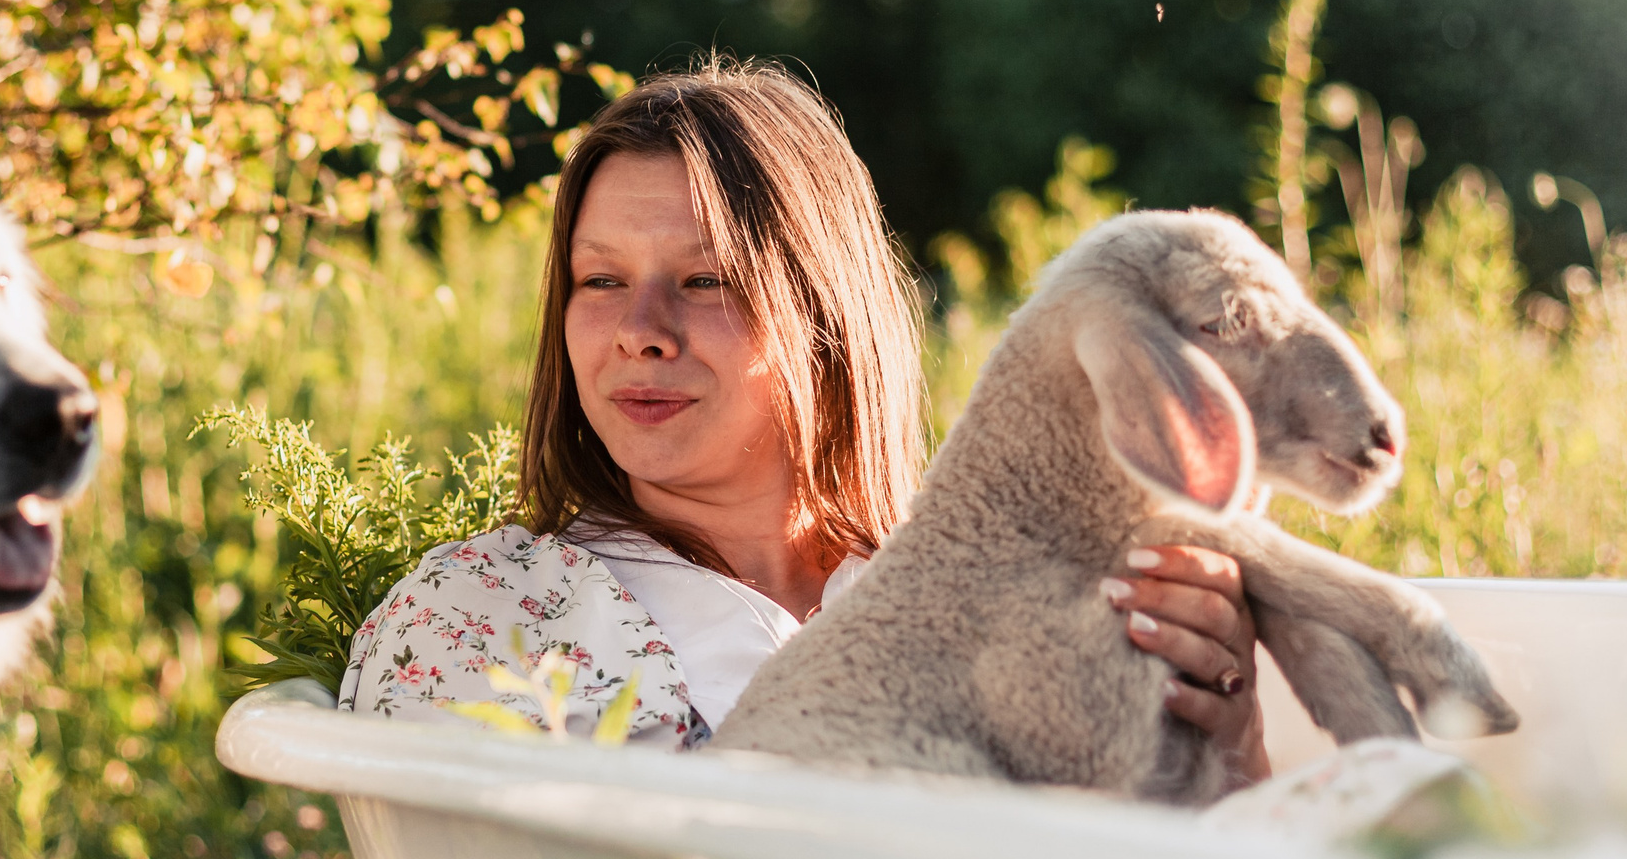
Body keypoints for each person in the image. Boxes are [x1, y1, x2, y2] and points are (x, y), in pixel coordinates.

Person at [336, 61, 1268, 787]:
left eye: (705, 280)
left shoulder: (996, 595)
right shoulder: (487, 619)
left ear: (822, 314)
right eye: (601, 280)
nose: (639, 333)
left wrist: (1224, 740)